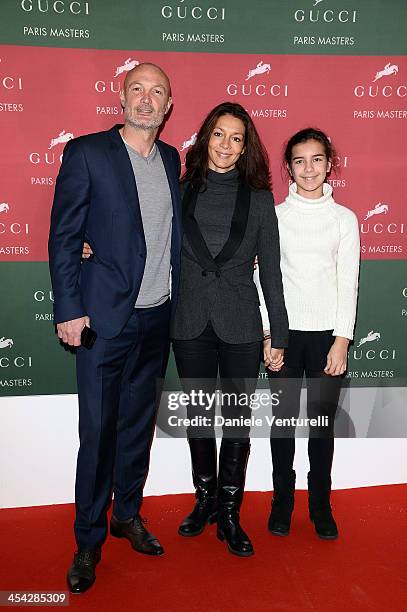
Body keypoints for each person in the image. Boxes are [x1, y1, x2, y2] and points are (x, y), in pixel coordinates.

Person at [48, 63, 182, 594]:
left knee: (136, 429)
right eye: (137, 90)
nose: (146, 101)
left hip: (157, 316)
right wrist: (68, 309)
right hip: (102, 321)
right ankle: (87, 541)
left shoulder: (173, 160)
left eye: (157, 93)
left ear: (169, 105)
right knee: (98, 434)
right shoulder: (86, 153)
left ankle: (126, 515)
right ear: (120, 95)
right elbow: (63, 237)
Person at [171, 102, 289, 557]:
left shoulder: (258, 199)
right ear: (205, 139)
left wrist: (277, 334)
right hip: (189, 320)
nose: (225, 145)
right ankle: (204, 501)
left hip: (241, 322)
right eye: (219, 134)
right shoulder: (180, 189)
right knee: (200, 416)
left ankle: (230, 512)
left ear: (246, 147)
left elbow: (273, 272)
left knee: (237, 421)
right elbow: (147, 239)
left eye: (236, 138)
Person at [254, 127, 360, 540]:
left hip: (326, 340)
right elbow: (265, 279)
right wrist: (268, 335)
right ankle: (283, 502)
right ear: (288, 168)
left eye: (317, 159)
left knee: (320, 427)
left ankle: (320, 505)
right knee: (281, 425)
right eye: (299, 160)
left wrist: (341, 340)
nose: (309, 168)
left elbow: (348, 281)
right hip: (283, 334)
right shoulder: (274, 218)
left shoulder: (344, 220)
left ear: (330, 163)